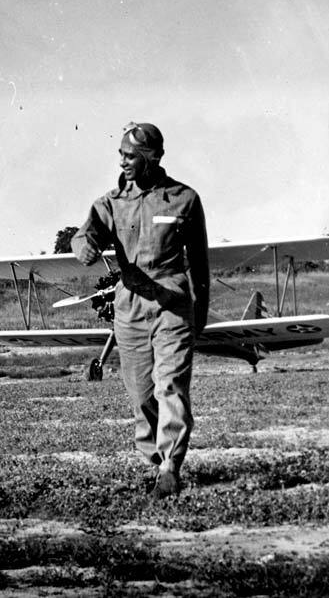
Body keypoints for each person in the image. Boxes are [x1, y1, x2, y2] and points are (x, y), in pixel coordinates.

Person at [72, 122, 209, 499]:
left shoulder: (185, 199)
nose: (123, 161)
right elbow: (88, 233)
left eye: (130, 155)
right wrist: (83, 245)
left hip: (172, 303)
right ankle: (155, 458)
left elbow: (199, 263)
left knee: (171, 385)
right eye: (120, 154)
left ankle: (169, 467)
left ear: (153, 157)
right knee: (141, 394)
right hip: (129, 304)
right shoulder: (110, 202)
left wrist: (200, 312)